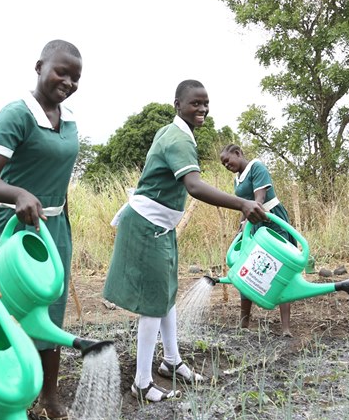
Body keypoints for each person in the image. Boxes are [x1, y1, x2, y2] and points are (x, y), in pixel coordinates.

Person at [103, 80, 267, 403]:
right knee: (153, 302)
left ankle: (172, 361)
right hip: (148, 226)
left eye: (206, 103)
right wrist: (243, 204)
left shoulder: (175, 133)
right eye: (195, 103)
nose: (202, 109)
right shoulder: (178, 138)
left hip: (159, 227)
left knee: (166, 295)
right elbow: (193, 186)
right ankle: (142, 381)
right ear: (178, 104)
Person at [0, 40, 82, 420]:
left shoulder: (68, 120)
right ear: (39, 67)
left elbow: (58, 178)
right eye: (61, 72)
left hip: (53, 230)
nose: (67, 82)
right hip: (11, 230)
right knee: (6, 312)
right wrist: (19, 193)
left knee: (50, 310)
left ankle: (47, 399)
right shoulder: (15, 116)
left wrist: (62, 225)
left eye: (75, 77)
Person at [220, 143, 294, 337]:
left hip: (272, 219)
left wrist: (248, 220)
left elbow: (258, 199)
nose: (227, 166)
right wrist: (241, 225)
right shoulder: (237, 179)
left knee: (280, 267)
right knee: (248, 267)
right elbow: (244, 207)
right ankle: (244, 324)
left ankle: (285, 328)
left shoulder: (256, 167)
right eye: (224, 164)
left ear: (238, 153)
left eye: (228, 161)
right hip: (254, 224)